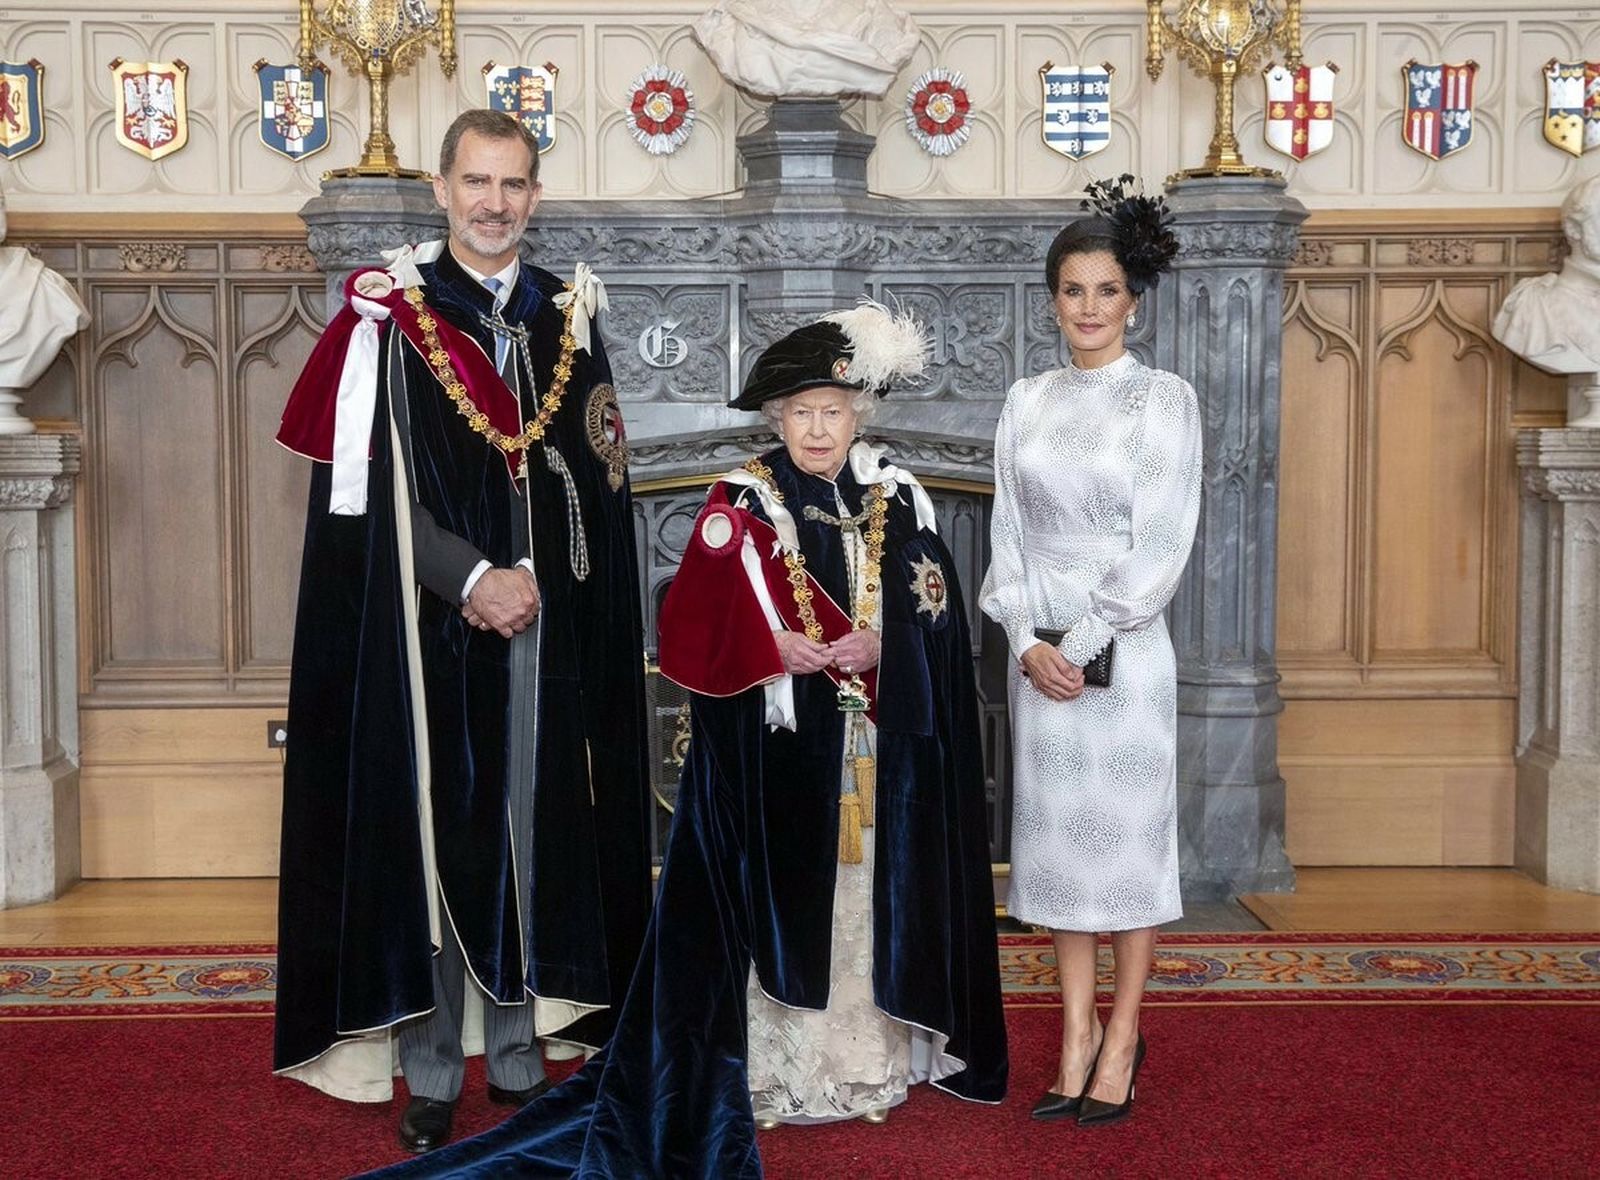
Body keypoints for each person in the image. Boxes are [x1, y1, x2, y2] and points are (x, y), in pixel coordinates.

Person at [368, 302, 1007, 1179]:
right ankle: (783, 1077)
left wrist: (887, 644)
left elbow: (936, 613)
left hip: (871, 751)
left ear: (860, 413)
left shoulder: (899, 497)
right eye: (801, 413)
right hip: (772, 758)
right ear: (777, 419)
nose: (818, 429)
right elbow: (689, 630)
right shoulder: (739, 503)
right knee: (783, 908)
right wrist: (769, 647)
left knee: (862, 907)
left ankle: (864, 1066)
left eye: (834, 411)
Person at [271, 109, 652, 1155]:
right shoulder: (391, 319)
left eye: (515, 184)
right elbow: (368, 499)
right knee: (444, 834)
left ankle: (524, 1054)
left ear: (535, 194)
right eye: (476, 182)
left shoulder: (562, 317)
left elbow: (595, 484)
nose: (495, 203)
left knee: (537, 828)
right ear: (440, 188)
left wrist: (542, 583)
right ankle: (435, 1065)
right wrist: (474, 576)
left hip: (546, 623)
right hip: (426, 629)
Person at [980, 175, 1198, 1127]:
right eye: (1073, 290)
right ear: (1053, 298)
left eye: (1107, 291)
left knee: (1129, 855)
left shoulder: (1164, 400)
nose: (1089, 308)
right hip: (1044, 666)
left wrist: (1087, 638)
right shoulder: (1025, 400)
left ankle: (1123, 1034)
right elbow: (1005, 537)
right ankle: (1072, 1036)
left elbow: (1163, 541)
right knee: (1059, 860)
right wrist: (1027, 641)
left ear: (1133, 302)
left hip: (1127, 657)